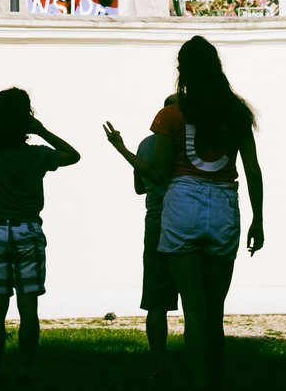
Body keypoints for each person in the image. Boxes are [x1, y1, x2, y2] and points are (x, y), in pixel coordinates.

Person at [106, 36, 265, 391]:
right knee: (214, 312)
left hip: (182, 204)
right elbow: (252, 170)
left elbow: (159, 174)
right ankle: (216, 380)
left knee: (193, 309)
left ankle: (200, 383)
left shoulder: (170, 115)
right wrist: (259, 219)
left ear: (184, 71)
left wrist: (123, 151)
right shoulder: (237, 112)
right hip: (225, 203)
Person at [0, 88, 80, 383]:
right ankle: (25, 369)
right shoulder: (37, 154)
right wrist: (41, 130)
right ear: (25, 120)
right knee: (28, 306)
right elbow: (73, 155)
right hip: (28, 230)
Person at [103, 96, 179, 379]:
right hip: (184, 217)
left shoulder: (146, 144)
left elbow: (139, 187)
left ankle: (159, 365)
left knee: (156, 300)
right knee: (197, 298)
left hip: (156, 219)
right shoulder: (186, 138)